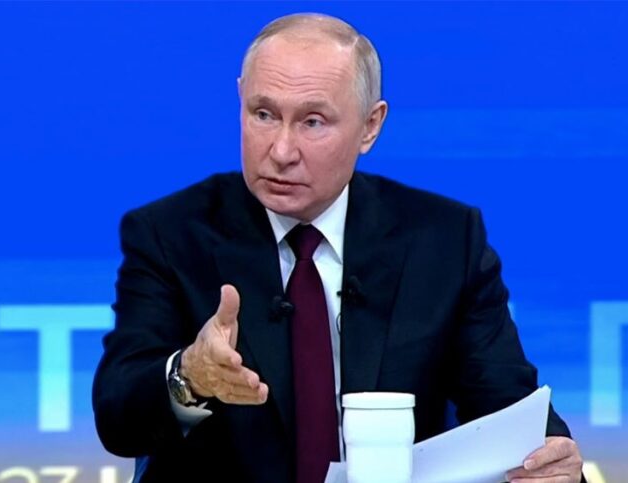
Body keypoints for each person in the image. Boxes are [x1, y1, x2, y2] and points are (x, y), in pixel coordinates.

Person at [92, 13, 584, 483]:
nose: (281, 151)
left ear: (370, 126)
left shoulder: (445, 240)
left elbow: (507, 406)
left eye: (312, 122)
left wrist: (552, 460)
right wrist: (190, 376)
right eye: (263, 114)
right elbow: (118, 416)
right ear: (239, 100)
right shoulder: (170, 234)